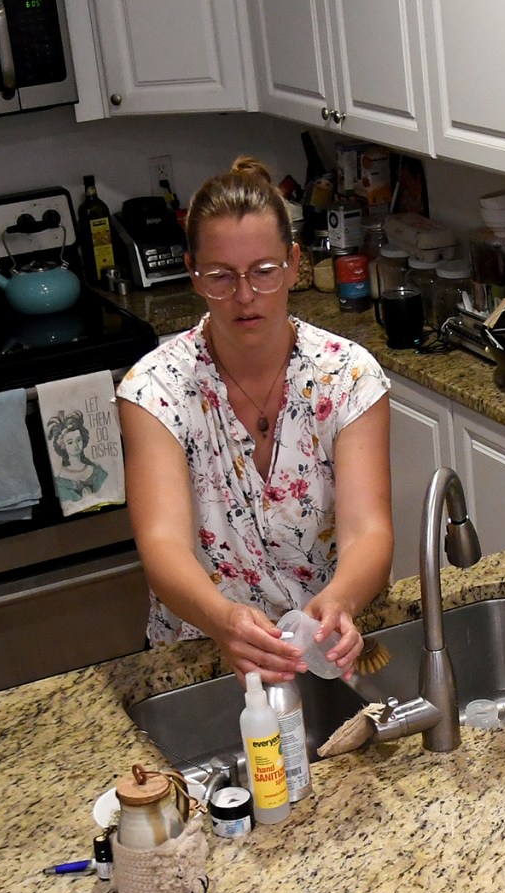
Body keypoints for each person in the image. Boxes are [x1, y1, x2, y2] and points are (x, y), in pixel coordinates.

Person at [117, 157, 394, 680]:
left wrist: (340, 600)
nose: (244, 296)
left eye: (263, 272)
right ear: (193, 273)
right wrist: (224, 621)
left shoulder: (348, 377)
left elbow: (369, 530)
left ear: (292, 263)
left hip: (327, 653)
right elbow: (162, 542)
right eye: (221, 277)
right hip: (205, 659)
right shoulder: (154, 390)